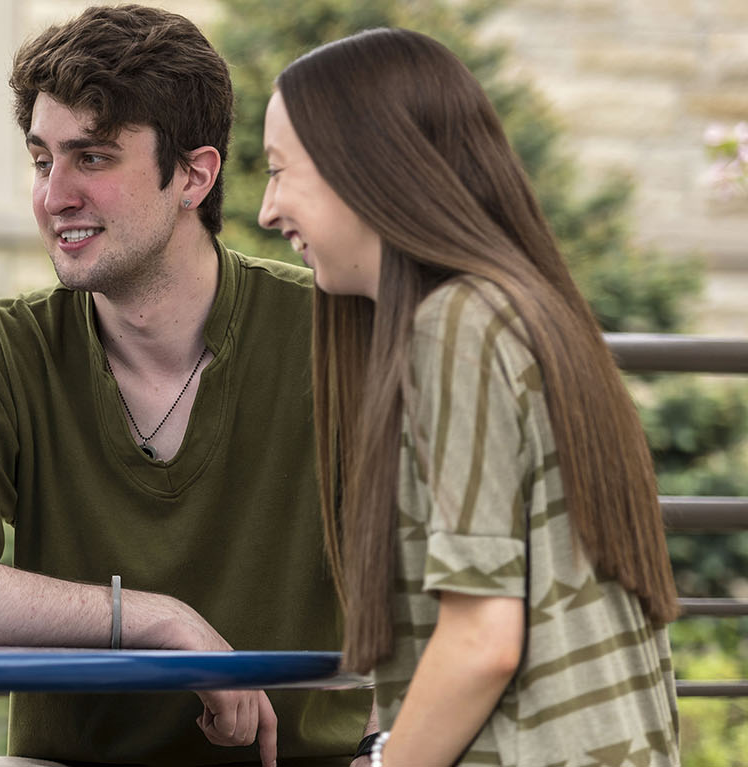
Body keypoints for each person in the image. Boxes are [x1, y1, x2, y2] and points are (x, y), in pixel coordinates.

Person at [0, 6, 370, 766]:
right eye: (41, 160)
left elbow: (449, 598)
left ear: (193, 175)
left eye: (91, 158)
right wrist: (156, 621)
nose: (54, 195)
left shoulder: (335, 338)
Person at [258, 27, 681, 766]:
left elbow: (482, 641)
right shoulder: (519, 308)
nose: (266, 209)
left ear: (366, 166)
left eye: (278, 171)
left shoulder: (458, 325)